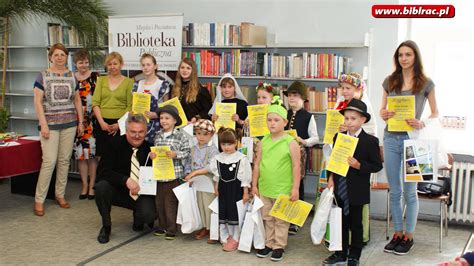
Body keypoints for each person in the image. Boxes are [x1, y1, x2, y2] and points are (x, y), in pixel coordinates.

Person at [380, 40, 439, 255]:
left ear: (416, 57)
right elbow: (381, 110)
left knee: (410, 192)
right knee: (394, 191)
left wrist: (423, 122)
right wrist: (383, 114)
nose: (403, 58)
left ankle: (409, 236)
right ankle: (397, 233)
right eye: (400, 55)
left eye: (408, 54)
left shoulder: (426, 83)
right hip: (390, 138)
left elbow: (435, 113)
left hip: (415, 141)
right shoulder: (389, 81)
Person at [324, 99, 383, 266]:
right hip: (340, 186)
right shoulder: (339, 137)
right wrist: (330, 178)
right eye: (347, 118)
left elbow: (377, 165)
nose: (349, 122)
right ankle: (340, 252)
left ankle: (355, 254)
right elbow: (333, 160)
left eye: (353, 119)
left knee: (356, 224)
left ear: (363, 120)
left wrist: (359, 165)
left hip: (357, 189)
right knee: (339, 221)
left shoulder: (370, 141)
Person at [33, 43, 84, 216]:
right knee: (49, 162)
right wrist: (44, 124)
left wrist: (81, 122)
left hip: (69, 123)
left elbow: (77, 100)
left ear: (66, 57)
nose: (60, 57)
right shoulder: (43, 76)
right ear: (51, 57)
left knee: (64, 161)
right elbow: (37, 102)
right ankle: (39, 200)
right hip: (50, 126)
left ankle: (59, 195)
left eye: (63, 54)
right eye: (56, 55)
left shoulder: (72, 76)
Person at [94, 113, 157, 244]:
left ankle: (139, 219)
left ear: (146, 132)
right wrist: (125, 180)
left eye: (141, 132)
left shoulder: (151, 149)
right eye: (133, 132)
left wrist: (158, 161)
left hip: (141, 192)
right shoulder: (113, 144)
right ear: (126, 131)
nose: (137, 135)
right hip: (118, 190)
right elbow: (102, 172)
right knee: (101, 187)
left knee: (149, 215)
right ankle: (106, 227)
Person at [252, 96, 301, 262]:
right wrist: (254, 185)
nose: (272, 123)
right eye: (269, 120)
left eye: (276, 120)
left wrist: (295, 188)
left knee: (281, 219)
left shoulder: (290, 142)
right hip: (265, 187)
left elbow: (296, 167)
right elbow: (257, 164)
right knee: (268, 217)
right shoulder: (263, 141)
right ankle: (269, 243)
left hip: (283, 189)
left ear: (285, 122)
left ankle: (279, 245)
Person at [283, 81, 319, 234]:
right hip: (283, 154)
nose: (292, 98)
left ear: (303, 98)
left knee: (299, 185)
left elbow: (316, 138)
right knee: (285, 184)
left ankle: (296, 220)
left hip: (300, 154)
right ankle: (284, 216)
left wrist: (304, 141)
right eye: (290, 95)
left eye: (295, 95)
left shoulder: (308, 116)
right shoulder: (284, 113)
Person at [208, 127, 251, 251]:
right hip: (223, 189)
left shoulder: (241, 159)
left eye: (230, 144)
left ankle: (235, 238)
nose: (226, 147)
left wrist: (245, 193)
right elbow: (217, 176)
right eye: (223, 144)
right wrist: (216, 188)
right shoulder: (217, 158)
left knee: (235, 214)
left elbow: (245, 179)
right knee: (223, 212)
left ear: (236, 143)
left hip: (236, 191)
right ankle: (225, 236)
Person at [151, 105, 191, 240]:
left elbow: (187, 153)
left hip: (174, 175)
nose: (163, 121)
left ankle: (171, 229)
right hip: (160, 175)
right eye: (161, 118)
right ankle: (162, 225)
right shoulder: (158, 135)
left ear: (175, 120)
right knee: (159, 202)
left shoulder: (181, 136)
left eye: (167, 118)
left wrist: (175, 154)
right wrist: (152, 156)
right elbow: (156, 151)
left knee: (170, 202)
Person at [183, 119, 219, 244]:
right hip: (196, 182)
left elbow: (211, 166)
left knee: (208, 205)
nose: (201, 137)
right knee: (199, 205)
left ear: (211, 135)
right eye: (198, 133)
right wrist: (188, 174)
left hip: (208, 181)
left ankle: (212, 229)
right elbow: (188, 163)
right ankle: (204, 226)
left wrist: (195, 173)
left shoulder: (213, 149)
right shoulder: (193, 148)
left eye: (205, 134)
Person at [92, 52, 134, 157]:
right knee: (103, 158)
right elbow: (95, 103)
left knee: (120, 157)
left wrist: (119, 125)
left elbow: (130, 106)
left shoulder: (129, 82)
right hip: (102, 124)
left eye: (115, 63)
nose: (112, 67)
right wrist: (102, 123)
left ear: (121, 65)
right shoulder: (101, 80)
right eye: (109, 64)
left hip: (121, 124)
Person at [72, 49, 99, 200]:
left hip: (93, 120)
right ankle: (84, 185)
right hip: (77, 121)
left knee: (92, 155)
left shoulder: (96, 77)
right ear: (75, 64)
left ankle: (92, 185)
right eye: (81, 62)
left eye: (86, 62)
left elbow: (99, 97)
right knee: (81, 155)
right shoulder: (71, 77)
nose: (84, 65)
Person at [132, 53, 171, 145]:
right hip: (139, 128)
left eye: (148, 64)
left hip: (158, 127)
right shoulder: (137, 85)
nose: (145, 67)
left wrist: (156, 114)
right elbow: (133, 106)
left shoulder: (162, 85)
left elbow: (167, 109)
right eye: (143, 65)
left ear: (155, 66)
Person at [336, 72, 377, 137]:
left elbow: (371, 130)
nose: (344, 91)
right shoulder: (341, 101)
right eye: (343, 88)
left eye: (348, 88)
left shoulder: (365, 105)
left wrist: (350, 130)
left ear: (359, 89)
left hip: (360, 143)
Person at [172, 58, 212, 122]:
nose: (184, 70)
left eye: (188, 68)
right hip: (177, 126)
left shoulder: (201, 90)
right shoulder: (174, 88)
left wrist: (196, 117)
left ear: (193, 71)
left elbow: (208, 111)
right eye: (182, 67)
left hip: (194, 126)